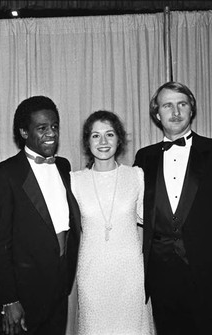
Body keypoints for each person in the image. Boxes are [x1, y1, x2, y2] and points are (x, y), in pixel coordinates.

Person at [133, 81, 212, 335]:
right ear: (157, 114)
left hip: (211, 279)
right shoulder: (144, 157)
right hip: (162, 280)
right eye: (167, 105)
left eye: (182, 104)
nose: (175, 112)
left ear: (192, 110)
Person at [0, 96, 81, 335]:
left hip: (60, 285)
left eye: (54, 127)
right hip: (24, 293)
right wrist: (9, 300)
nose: (51, 133)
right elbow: (1, 243)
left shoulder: (63, 166)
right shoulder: (4, 174)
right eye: (42, 128)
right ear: (23, 132)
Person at [70, 110, 156, 335]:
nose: (103, 142)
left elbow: (153, 223)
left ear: (119, 139)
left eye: (109, 134)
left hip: (130, 273)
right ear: (87, 142)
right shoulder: (75, 181)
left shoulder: (137, 176)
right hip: (92, 272)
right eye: (95, 136)